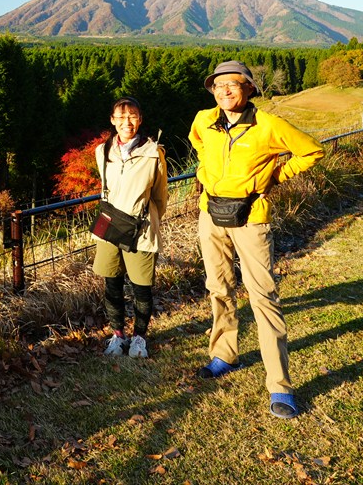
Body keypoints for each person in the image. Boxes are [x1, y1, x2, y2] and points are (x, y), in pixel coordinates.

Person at [189, 60, 325, 420]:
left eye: (232, 85)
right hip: (210, 215)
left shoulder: (268, 125)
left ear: (249, 88)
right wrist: (204, 170)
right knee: (218, 287)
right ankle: (224, 354)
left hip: (251, 218)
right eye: (218, 86)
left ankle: (280, 385)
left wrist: (275, 177)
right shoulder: (204, 120)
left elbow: (312, 151)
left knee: (263, 297)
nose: (224, 91)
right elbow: (198, 143)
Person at [93, 96, 168, 359]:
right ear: (112, 120)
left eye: (133, 116)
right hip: (109, 226)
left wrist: (149, 218)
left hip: (142, 228)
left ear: (140, 119)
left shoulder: (154, 153)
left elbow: (160, 196)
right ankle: (118, 335)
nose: (127, 122)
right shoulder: (102, 151)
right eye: (121, 117)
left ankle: (139, 338)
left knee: (141, 286)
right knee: (111, 283)